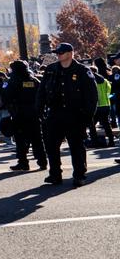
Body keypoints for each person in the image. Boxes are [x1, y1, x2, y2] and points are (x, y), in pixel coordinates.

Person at [40, 43, 96, 187]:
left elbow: (91, 96)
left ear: (70, 53)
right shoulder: (51, 70)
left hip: (75, 115)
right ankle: (55, 174)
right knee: (51, 146)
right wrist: (39, 110)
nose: (58, 55)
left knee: (76, 146)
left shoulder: (83, 70)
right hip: (55, 114)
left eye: (61, 52)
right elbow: (41, 92)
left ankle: (79, 175)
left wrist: (87, 117)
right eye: (57, 52)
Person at [0, 61, 46, 172]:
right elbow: (42, 95)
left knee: (20, 140)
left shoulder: (13, 81)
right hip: (34, 114)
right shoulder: (34, 80)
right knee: (37, 139)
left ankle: (23, 163)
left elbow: (6, 96)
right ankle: (42, 162)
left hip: (19, 114)